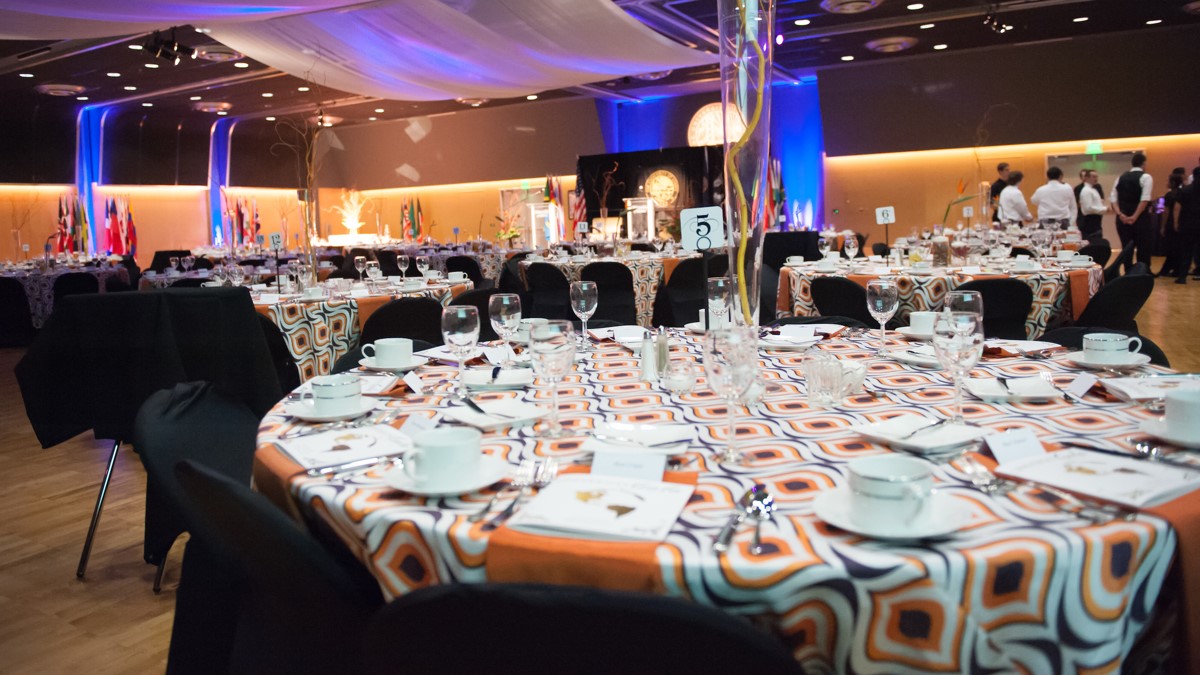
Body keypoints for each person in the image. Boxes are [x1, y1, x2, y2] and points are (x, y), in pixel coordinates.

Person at [1110, 152, 1155, 268]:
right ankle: (1142, 273)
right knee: (1143, 248)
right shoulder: (1146, 177)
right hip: (1141, 219)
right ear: (1144, 164)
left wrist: (1120, 214)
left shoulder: (1120, 177)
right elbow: (1144, 200)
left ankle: (1128, 272)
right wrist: (1134, 216)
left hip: (1122, 219)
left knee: (1126, 248)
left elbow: (1113, 199)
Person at [1172, 167, 1200, 284]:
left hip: (1187, 224)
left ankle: (1182, 276)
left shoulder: (1185, 190)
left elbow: (1177, 208)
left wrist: (1176, 222)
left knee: (1186, 251)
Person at [1156, 168, 1186, 277]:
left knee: (1170, 248)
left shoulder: (1169, 195)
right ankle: (1176, 269)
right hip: (1181, 223)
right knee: (1178, 247)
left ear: (1172, 183)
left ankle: (1166, 270)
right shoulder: (1183, 192)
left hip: (1170, 224)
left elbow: (1166, 212)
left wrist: (1162, 226)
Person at [1077, 170, 1109, 241]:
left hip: (1096, 222)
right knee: (1092, 245)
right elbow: (1088, 208)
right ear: (1087, 178)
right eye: (1094, 177)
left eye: (1097, 176)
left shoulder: (1093, 190)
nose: (1096, 179)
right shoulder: (1086, 191)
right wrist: (1104, 209)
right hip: (1089, 222)